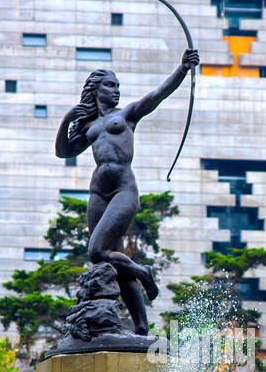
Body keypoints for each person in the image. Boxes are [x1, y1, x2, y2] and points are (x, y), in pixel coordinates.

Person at [54, 50, 199, 334]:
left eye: (118, 86)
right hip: (97, 193)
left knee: (97, 252)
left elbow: (157, 95)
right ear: (96, 90)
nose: (116, 90)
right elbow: (62, 151)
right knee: (115, 261)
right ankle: (142, 327)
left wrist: (182, 69)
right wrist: (69, 117)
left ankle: (143, 272)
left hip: (123, 189)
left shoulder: (128, 115)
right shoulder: (89, 125)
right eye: (110, 85)